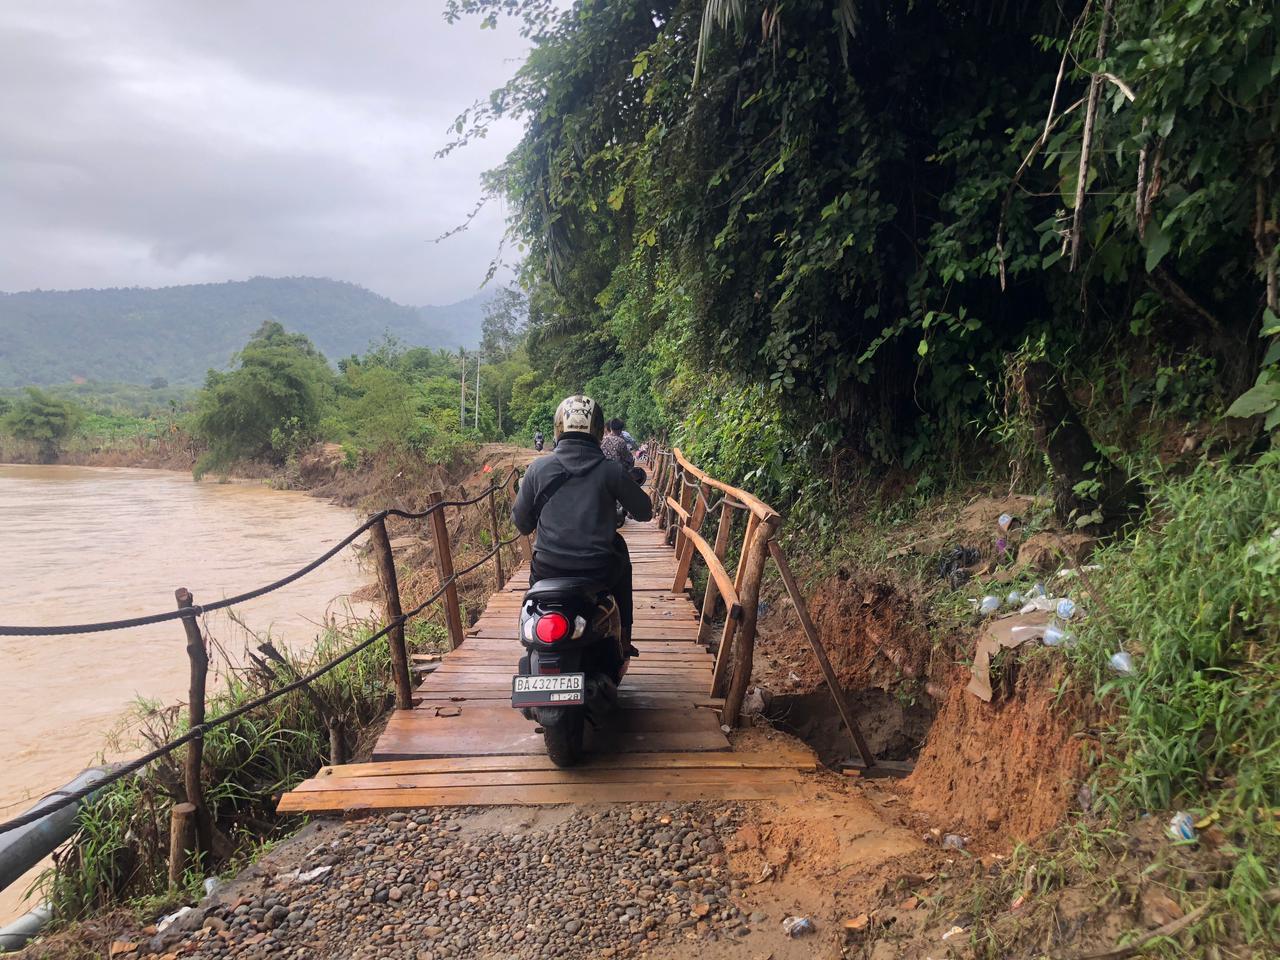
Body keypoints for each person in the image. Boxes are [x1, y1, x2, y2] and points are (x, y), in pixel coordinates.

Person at [512, 396, 652, 649]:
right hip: (598, 569)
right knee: (621, 557)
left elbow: (522, 524)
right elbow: (644, 512)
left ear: (558, 428)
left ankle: (534, 631)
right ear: (598, 429)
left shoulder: (537, 469)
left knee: (533, 590)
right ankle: (625, 637)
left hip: (548, 568)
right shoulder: (610, 471)